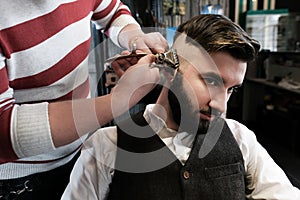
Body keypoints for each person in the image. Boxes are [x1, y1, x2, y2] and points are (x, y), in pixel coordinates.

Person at [62, 14, 300, 200]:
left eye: (231, 89)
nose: (221, 105)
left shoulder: (241, 139)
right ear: (169, 71)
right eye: (211, 81)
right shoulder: (107, 147)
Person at [0, 0, 168, 199]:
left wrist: (135, 38)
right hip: (20, 182)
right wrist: (119, 100)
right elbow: (3, 130)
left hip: (77, 152)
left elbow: (112, 11)